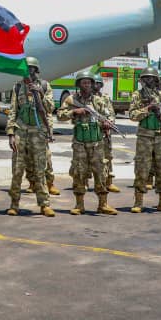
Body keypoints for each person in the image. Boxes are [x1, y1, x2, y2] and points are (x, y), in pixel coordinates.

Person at [58, 70, 117, 215]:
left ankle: (103, 204)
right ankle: (79, 205)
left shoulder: (98, 101)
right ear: (79, 84)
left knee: (101, 173)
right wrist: (74, 112)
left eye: (89, 82)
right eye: (84, 82)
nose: (87, 85)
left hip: (97, 143)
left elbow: (109, 116)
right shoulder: (71, 100)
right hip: (80, 143)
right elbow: (60, 115)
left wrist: (107, 124)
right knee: (79, 173)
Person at [6, 57, 55, 217]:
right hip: (21, 130)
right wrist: (11, 133)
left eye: (31, 69)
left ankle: (44, 204)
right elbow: (13, 110)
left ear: (36, 70)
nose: (29, 72)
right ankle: (14, 204)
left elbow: (49, 108)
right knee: (18, 170)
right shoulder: (18, 87)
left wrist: (39, 92)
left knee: (40, 169)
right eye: (26, 69)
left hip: (38, 131)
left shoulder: (46, 86)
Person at [129, 67, 161, 213]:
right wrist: (148, 109)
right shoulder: (137, 95)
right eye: (146, 78)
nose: (148, 80)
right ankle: (138, 202)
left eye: (151, 78)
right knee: (142, 168)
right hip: (145, 136)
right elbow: (132, 115)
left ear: (156, 80)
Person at [94, 76, 121, 193]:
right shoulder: (86, 98)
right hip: (92, 132)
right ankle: (84, 183)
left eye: (99, 84)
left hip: (105, 133)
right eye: (94, 83)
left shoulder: (105, 98)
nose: (96, 86)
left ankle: (109, 182)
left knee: (108, 156)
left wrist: (110, 122)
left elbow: (111, 112)